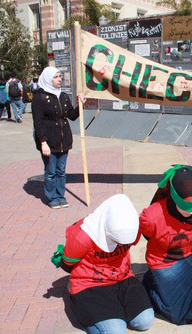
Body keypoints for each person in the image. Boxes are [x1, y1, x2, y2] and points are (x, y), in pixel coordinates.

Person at [53, 194, 154, 334]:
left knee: (144, 322)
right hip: (90, 284)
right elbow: (67, 263)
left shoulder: (132, 227)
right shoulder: (83, 235)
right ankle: (79, 306)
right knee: (116, 332)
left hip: (123, 278)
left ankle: (113, 314)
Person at [140, 166, 192, 325]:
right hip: (164, 263)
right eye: (185, 207)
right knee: (178, 313)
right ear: (173, 197)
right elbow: (147, 235)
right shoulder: (152, 215)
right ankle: (151, 285)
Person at [32, 67, 86, 209]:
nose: (59, 79)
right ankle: (52, 197)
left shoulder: (63, 96)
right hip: (49, 140)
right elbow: (38, 122)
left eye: (60, 76)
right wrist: (43, 142)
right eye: (56, 77)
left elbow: (72, 116)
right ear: (48, 78)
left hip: (64, 139)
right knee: (50, 171)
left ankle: (60, 195)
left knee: (61, 171)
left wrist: (81, 105)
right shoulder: (39, 97)